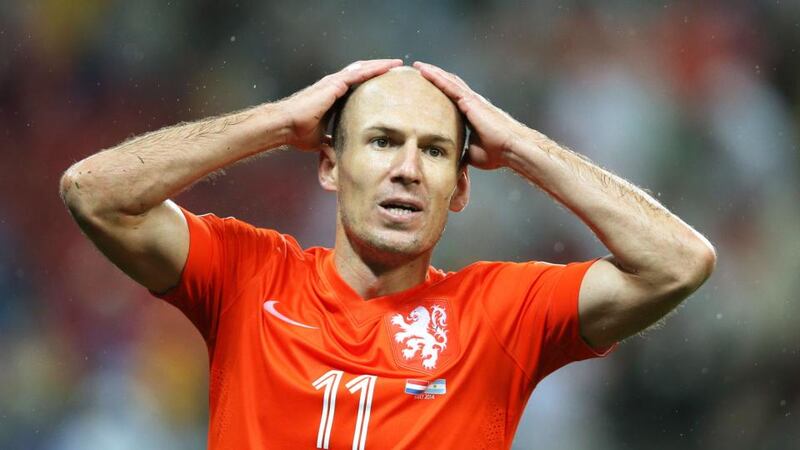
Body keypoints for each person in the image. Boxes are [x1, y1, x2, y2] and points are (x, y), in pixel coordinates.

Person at [59, 59, 716, 449]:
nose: (406, 168)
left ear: (459, 187)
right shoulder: (248, 275)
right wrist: (279, 121)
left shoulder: (500, 315)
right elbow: (93, 193)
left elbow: (679, 262)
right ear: (329, 165)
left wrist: (520, 146)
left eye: (433, 151)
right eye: (380, 141)